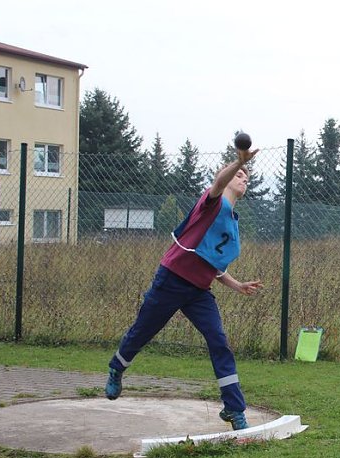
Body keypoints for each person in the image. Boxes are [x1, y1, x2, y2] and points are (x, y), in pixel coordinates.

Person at [106, 146, 263, 430]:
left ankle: (234, 410)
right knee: (143, 331)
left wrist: (237, 285)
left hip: (198, 291)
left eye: (246, 176)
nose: (243, 178)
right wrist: (238, 160)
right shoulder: (212, 203)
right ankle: (117, 368)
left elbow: (213, 264)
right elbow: (217, 182)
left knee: (219, 341)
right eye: (239, 174)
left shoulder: (232, 222)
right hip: (172, 279)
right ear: (227, 178)